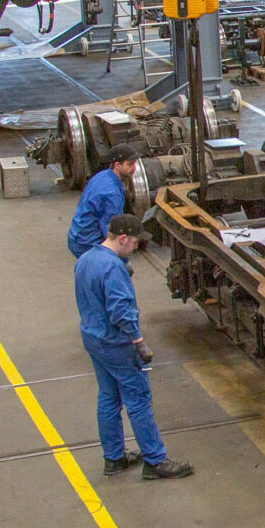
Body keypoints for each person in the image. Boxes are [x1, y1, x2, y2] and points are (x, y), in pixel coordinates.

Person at [74, 213, 192, 480]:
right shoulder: (112, 268)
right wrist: (138, 341)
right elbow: (120, 311)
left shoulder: (86, 259)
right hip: (116, 343)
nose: (137, 248)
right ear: (123, 238)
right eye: (135, 243)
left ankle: (113, 458)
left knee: (108, 397)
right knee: (138, 399)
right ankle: (155, 460)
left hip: (93, 338)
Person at [68, 146, 139, 258]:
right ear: (117, 165)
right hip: (88, 243)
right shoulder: (112, 193)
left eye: (135, 164)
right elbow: (112, 230)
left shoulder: (102, 176)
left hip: (76, 234)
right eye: (130, 164)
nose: (134, 168)